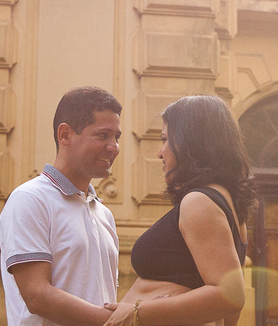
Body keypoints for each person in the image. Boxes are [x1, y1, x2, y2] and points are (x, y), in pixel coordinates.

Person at [103, 94, 253, 326]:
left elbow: (230, 296)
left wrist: (137, 312)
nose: (160, 152)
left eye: (165, 139)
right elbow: (228, 316)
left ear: (191, 142)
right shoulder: (228, 205)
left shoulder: (199, 202)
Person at [0, 86, 123, 326]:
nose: (114, 147)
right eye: (103, 136)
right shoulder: (29, 199)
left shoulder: (104, 214)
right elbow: (37, 296)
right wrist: (120, 322)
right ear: (64, 135)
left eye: (116, 137)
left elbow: (103, 301)